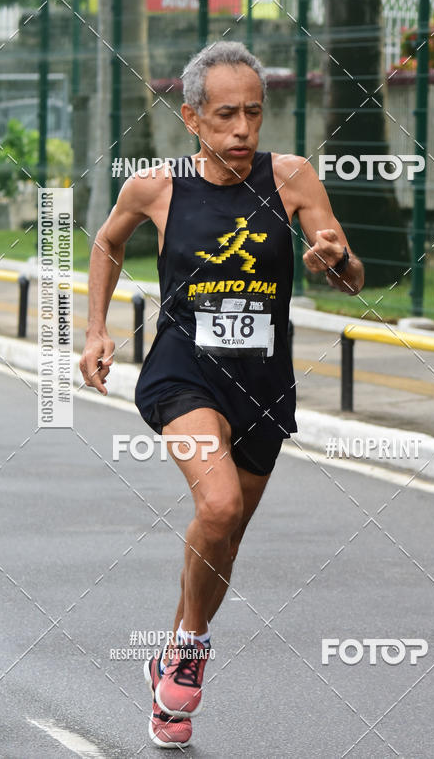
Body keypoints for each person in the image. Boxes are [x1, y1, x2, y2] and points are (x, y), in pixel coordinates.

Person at [79, 40, 364, 748]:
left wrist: (336, 257)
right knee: (220, 502)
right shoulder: (156, 187)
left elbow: (352, 272)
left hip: (264, 382)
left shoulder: (293, 177)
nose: (243, 130)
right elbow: (108, 243)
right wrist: (95, 331)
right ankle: (190, 647)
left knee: (223, 538)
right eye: (227, 115)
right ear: (193, 118)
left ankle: (180, 646)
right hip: (184, 370)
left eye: (254, 114)